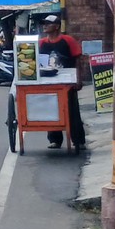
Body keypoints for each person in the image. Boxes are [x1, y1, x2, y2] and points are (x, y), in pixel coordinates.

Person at [37, 14, 86, 150]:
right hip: (48, 81)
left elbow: (78, 60)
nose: (45, 26)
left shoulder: (68, 40)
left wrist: (78, 79)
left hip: (67, 80)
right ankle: (55, 140)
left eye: (48, 23)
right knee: (51, 110)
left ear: (57, 26)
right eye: (44, 23)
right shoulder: (41, 43)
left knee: (72, 111)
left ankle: (78, 140)